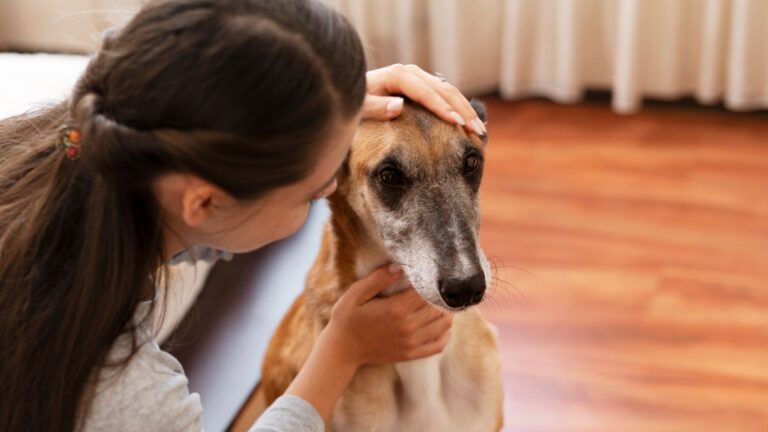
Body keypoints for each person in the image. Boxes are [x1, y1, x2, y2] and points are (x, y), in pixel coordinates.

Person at [0, 0, 486, 430]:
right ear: (207, 202)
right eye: (313, 193)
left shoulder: (73, 147)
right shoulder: (127, 394)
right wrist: (342, 349)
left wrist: (328, 105)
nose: (329, 190)